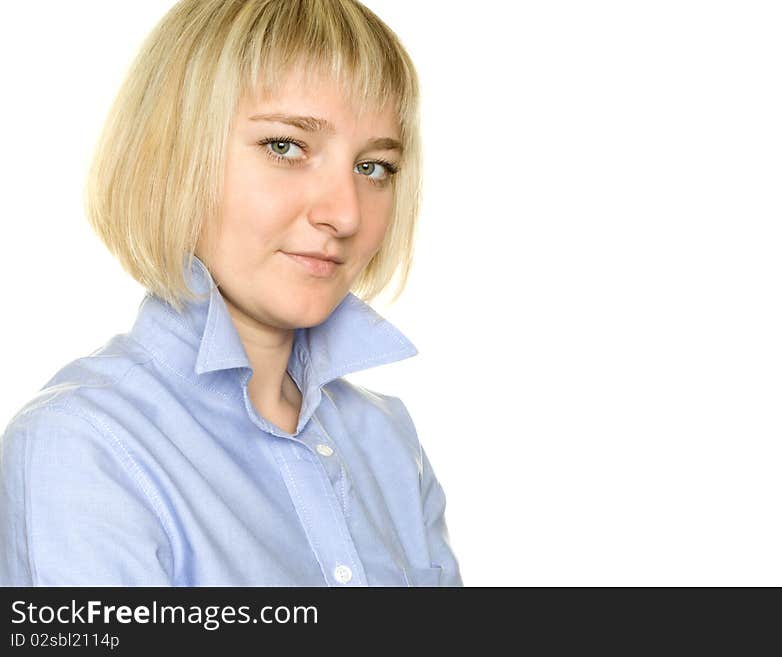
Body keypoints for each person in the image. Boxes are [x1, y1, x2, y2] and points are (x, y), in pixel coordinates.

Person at [0, 0, 462, 586]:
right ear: (172, 156)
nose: (345, 214)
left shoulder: (389, 441)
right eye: (285, 147)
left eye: (373, 167)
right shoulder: (82, 446)